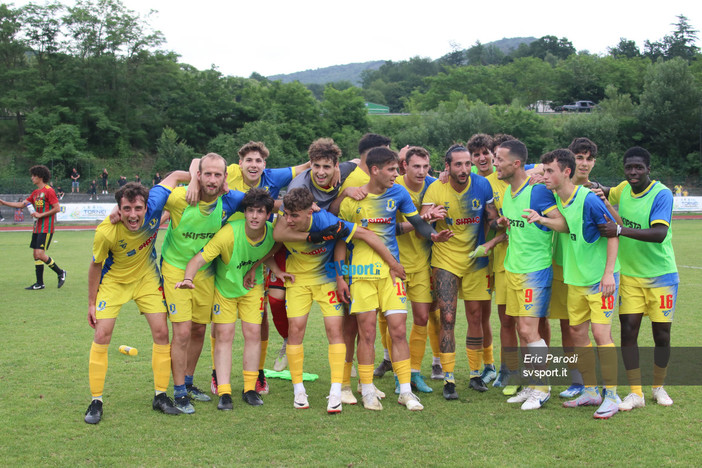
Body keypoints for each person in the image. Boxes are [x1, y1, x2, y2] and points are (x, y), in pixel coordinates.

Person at [187, 141, 309, 397]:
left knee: (258, 319)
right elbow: (199, 164)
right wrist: (191, 181)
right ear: (239, 162)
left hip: (255, 250)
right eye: (248, 161)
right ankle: (217, 374)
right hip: (222, 250)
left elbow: (307, 166)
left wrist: (349, 165)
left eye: (258, 161)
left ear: (265, 165)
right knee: (220, 323)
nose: (253, 165)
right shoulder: (227, 172)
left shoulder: (272, 177)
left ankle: (258, 373)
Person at [335, 147, 452, 411]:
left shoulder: (398, 193)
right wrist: (342, 276)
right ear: (375, 170)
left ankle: (406, 392)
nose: (396, 175)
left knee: (398, 330)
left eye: (397, 170)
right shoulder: (352, 200)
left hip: (392, 273)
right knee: (366, 334)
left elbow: (417, 222)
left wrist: (432, 235)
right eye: (391, 170)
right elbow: (340, 242)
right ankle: (366, 390)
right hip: (362, 274)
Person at [275, 187, 403, 412]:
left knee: (335, 331)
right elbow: (277, 236)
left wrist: (393, 264)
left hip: (327, 281)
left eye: (294, 215)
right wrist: (312, 237)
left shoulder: (327, 221)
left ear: (310, 212)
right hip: (298, 281)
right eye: (286, 214)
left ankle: (335, 392)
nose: (289, 219)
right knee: (295, 331)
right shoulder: (284, 223)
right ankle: (299, 391)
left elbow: (367, 235)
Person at [83, 176, 188, 424]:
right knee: (101, 335)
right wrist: (91, 302)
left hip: (147, 278)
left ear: (146, 207)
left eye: (138, 208)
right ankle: (96, 400)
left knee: (162, 333)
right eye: (126, 208)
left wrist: (194, 180)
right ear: (118, 209)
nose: (132, 215)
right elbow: (95, 265)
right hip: (114, 282)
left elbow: (175, 176)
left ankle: (160, 396)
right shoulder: (106, 231)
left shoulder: (156, 203)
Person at [175, 188, 285, 410]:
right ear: (244, 212)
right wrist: (188, 278)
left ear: (267, 215)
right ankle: (224, 392)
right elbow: (198, 259)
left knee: (253, 333)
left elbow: (273, 249)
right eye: (251, 211)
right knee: (224, 335)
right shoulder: (228, 234)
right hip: (224, 291)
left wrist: (261, 268)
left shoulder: (273, 233)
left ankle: (250, 389)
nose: (254, 216)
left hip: (251, 288)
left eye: (260, 212)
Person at [159, 153, 246, 413]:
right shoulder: (180, 197)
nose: (212, 179)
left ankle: (188, 382)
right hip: (175, 270)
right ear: (199, 175)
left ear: (225, 178)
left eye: (217, 175)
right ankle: (178, 392)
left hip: (205, 273)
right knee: (182, 332)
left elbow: (263, 204)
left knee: (198, 330)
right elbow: (151, 205)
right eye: (207, 174)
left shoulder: (229, 200)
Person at [541, 149, 621, 419]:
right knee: (577, 334)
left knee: (601, 336)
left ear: (566, 171)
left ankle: (611, 394)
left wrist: (609, 274)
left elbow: (612, 234)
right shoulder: (558, 198)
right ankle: (590, 390)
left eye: (550, 171)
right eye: (544, 171)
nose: (545, 176)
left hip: (601, 281)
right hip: (576, 280)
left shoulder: (588, 199)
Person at [599, 146, 679, 411]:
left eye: (638, 168)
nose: (633, 172)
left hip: (661, 277)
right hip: (631, 276)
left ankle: (659, 387)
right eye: (629, 167)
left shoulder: (662, 194)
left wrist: (620, 229)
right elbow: (604, 189)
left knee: (662, 335)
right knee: (629, 331)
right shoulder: (623, 187)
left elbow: (658, 234)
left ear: (648, 169)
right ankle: (636, 393)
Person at [271, 138, 359, 372]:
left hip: (329, 232)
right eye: (316, 166)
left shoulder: (344, 169)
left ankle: (346, 364)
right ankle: (288, 339)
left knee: (347, 300)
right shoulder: (298, 187)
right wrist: (314, 237)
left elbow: (362, 160)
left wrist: (346, 189)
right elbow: (280, 231)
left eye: (327, 167)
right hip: (301, 239)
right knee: (276, 298)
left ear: (336, 165)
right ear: (310, 164)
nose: (321, 172)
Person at [494, 139, 567, 410]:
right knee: (523, 333)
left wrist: (542, 219)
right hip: (513, 269)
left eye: (499, 159)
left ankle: (543, 387)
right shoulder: (507, 193)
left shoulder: (537, 191)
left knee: (528, 330)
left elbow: (562, 223)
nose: (495, 164)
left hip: (534, 270)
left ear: (515, 163)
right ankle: (531, 384)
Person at [422, 144, 499, 399]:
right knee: (447, 318)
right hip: (445, 260)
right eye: (458, 164)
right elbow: (423, 219)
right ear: (447, 166)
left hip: (476, 260)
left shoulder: (482, 185)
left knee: (476, 317)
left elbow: (491, 219)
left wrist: (502, 223)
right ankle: (449, 378)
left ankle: (476, 374)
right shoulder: (436, 187)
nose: (465, 169)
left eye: (468, 164)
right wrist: (431, 220)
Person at [550, 137, 602, 399]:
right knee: (569, 326)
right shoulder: (554, 185)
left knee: (599, 329)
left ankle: (599, 381)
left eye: (589, 158)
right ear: (569, 162)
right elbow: (533, 168)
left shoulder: (598, 191)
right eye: (579, 157)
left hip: (593, 269)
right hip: (562, 264)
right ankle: (577, 379)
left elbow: (612, 228)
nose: (584, 163)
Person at [395, 147, 445, 389]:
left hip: (421, 263)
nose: (422, 172)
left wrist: (436, 234)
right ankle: (399, 375)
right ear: (404, 165)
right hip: (394, 264)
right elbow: (389, 229)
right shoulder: (391, 186)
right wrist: (422, 220)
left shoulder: (433, 186)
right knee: (396, 322)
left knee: (422, 318)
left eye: (426, 167)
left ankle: (415, 372)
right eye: (416, 166)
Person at [0, 165, 67, 290]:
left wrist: (40, 214)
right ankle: (39, 283)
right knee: (36, 255)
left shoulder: (49, 190)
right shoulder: (36, 193)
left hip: (46, 227)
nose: (32, 178)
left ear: (40, 177)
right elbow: (21, 204)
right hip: (37, 227)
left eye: (33, 176)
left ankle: (60, 272)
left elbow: (57, 208)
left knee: (40, 254)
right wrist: (4, 203)